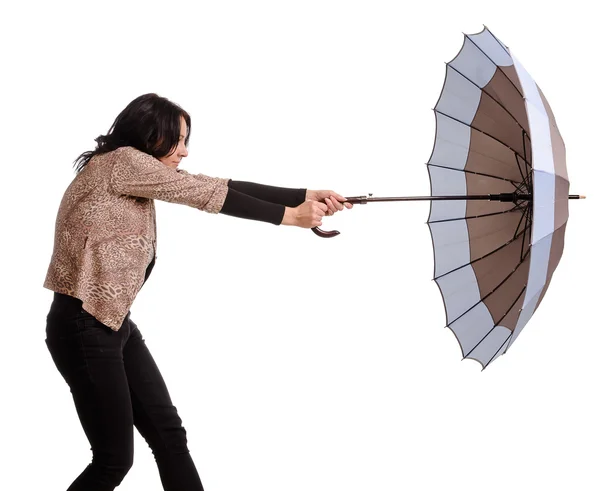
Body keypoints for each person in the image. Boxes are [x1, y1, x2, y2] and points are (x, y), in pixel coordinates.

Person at [43, 93, 353, 491]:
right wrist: (290, 217)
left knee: (169, 436)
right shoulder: (122, 162)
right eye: (179, 140)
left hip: (111, 323)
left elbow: (213, 184)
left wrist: (303, 194)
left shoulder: (132, 168)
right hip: (83, 324)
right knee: (113, 461)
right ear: (150, 135)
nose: (185, 152)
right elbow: (206, 196)